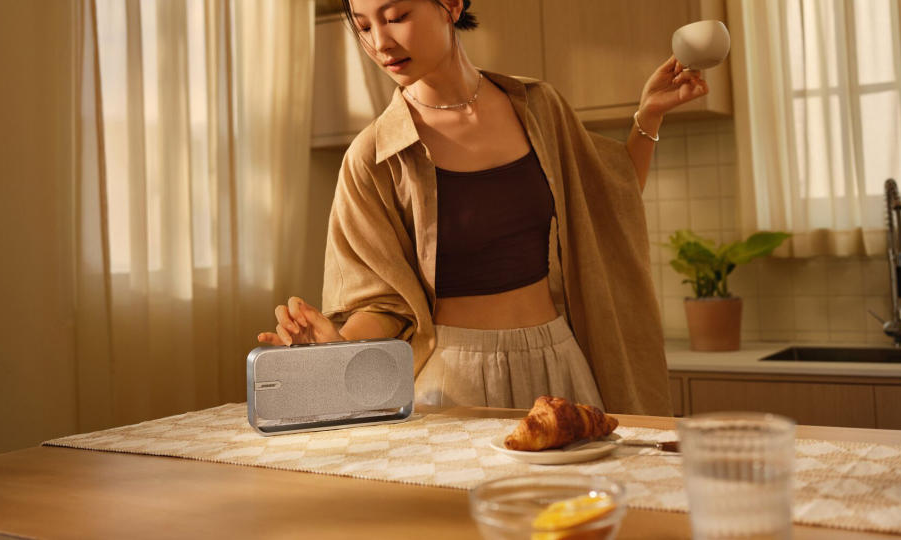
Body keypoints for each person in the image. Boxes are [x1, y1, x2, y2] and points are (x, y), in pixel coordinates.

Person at [257, 0, 709, 415]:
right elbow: (381, 303)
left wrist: (648, 115)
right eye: (364, 27)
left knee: (577, 504)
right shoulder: (372, 155)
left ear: (451, 4)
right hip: (453, 383)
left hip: (558, 361)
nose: (380, 42)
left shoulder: (539, 108)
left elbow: (610, 201)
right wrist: (336, 347)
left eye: (396, 17)